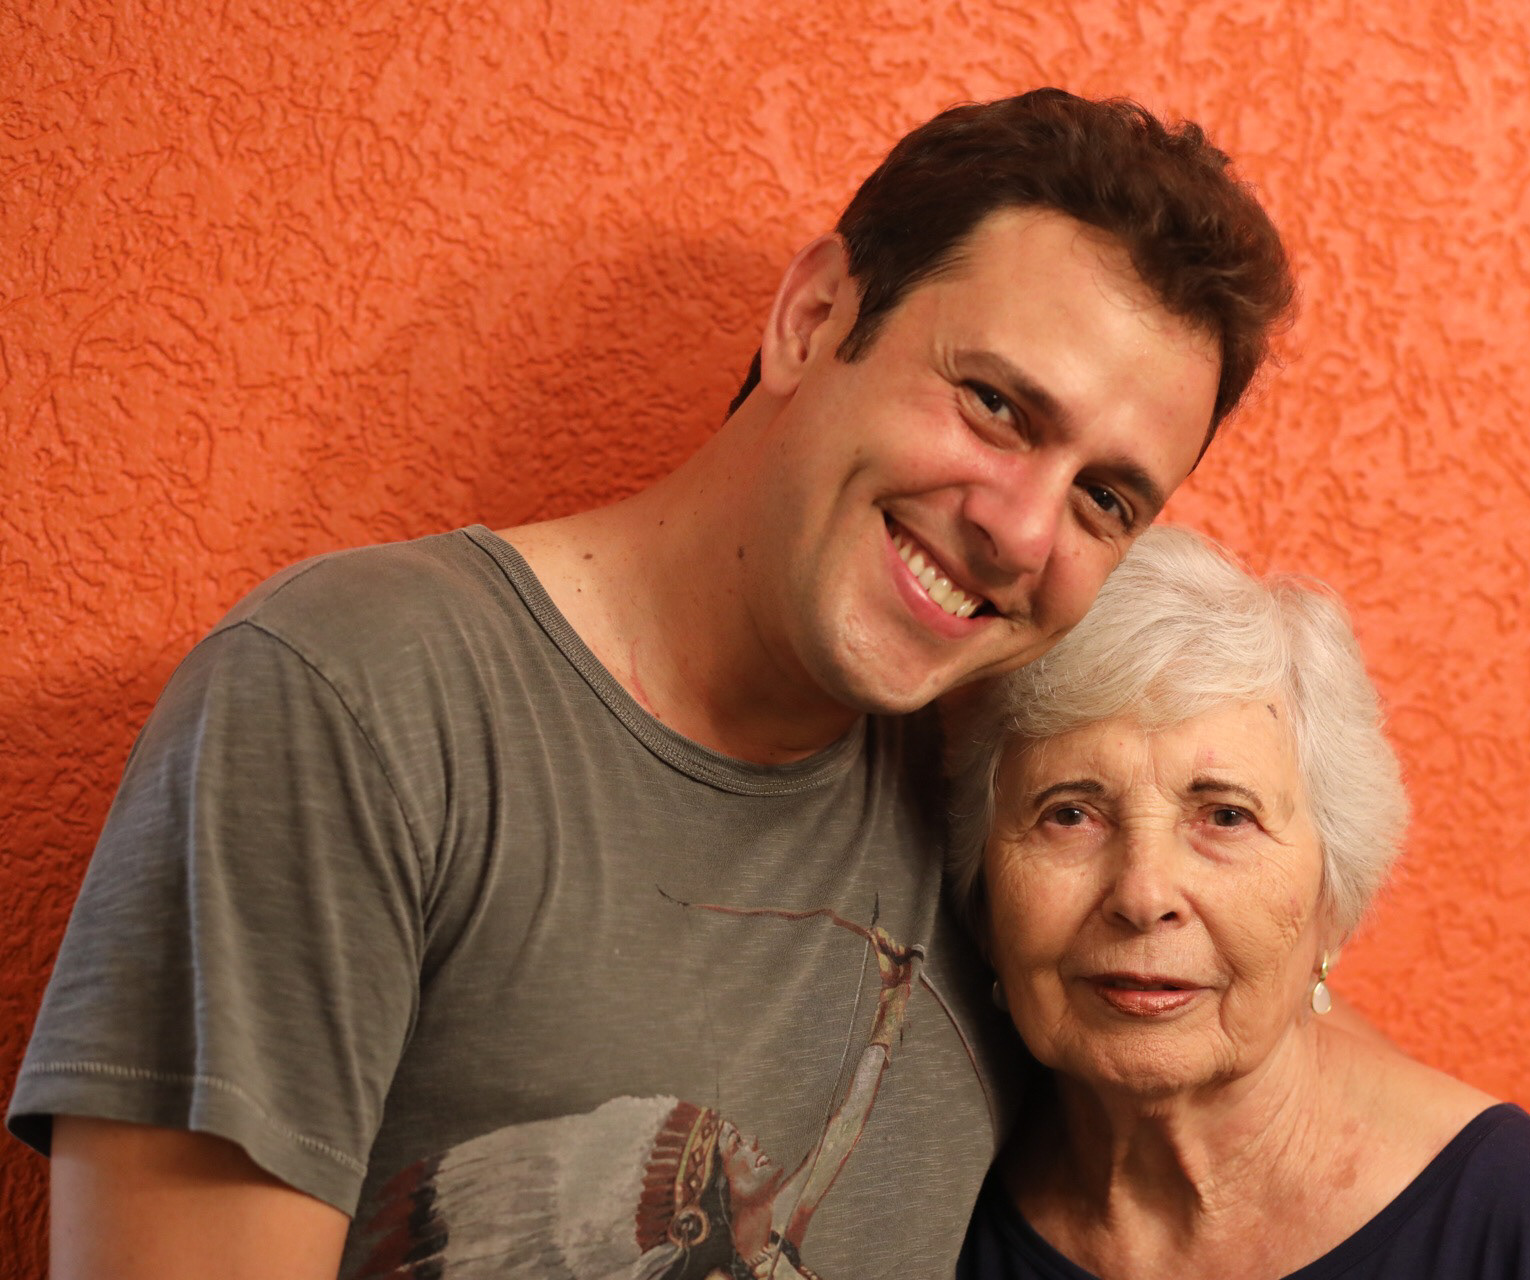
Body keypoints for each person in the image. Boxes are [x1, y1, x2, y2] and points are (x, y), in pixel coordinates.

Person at [8, 89, 1293, 1278]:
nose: (1019, 530)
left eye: (1104, 497)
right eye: (996, 406)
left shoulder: (1005, 804)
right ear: (812, 320)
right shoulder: (359, 698)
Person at [946, 527, 1530, 1279]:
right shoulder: (924, 1212)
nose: (1143, 895)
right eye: (1069, 814)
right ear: (984, 894)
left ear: (1333, 901)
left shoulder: (1526, 1242)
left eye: (1226, 816)